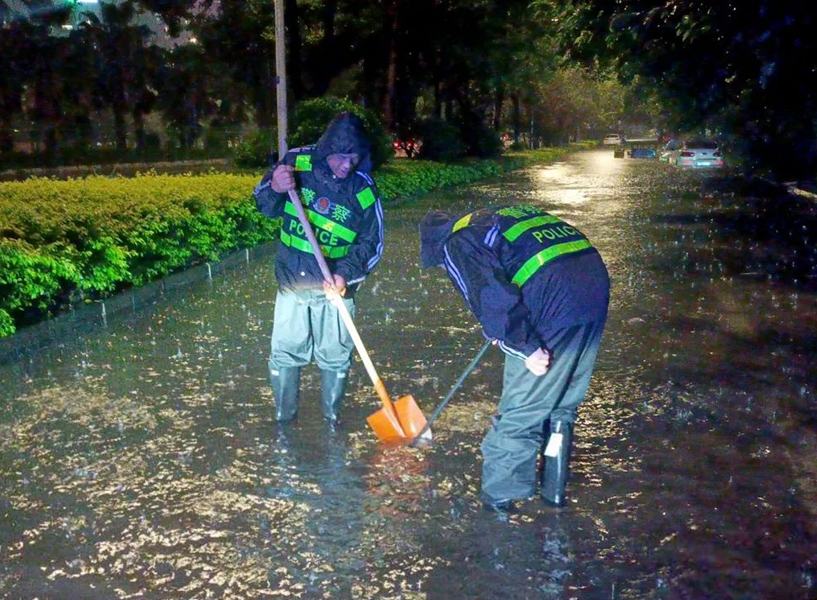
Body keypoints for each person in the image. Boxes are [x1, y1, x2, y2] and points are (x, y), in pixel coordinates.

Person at [418, 204, 609, 511]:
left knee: (519, 413)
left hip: (555, 296)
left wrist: (524, 345)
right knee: (559, 405)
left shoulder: (455, 242)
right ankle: (554, 496)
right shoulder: (492, 219)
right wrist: (501, 325)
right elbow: (510, 275)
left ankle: (500, 508)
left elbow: (487, 293)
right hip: (592, 285)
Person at [253, 112, 385, 430]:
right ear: (326, 149)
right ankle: (284, 421)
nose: (346, 165)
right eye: (341, 156)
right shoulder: (297, 163)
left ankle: (332, 420)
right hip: (292, 283)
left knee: (336, 356)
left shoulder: (363, 189)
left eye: (353, 158)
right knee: (285, 353)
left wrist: (345, 274)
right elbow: (264, 205)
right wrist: (274, 185)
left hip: (336, 291)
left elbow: (373, 243)